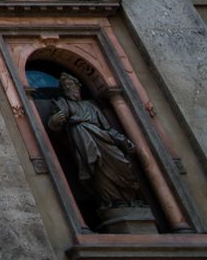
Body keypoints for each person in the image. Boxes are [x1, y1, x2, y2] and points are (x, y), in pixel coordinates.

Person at [46, 73, 144, 211]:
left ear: (78, 86)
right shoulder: (63, 104)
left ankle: (131, 198)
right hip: (84, 142)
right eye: (65, 86)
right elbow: (57, 128)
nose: (68, 88)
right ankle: (115, 201)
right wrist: (53, 121)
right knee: (98, 169)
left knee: (122, 164)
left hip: (104, 139)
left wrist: (122, 140)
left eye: (70, 84)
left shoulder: (91, 106)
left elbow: (107, 128)